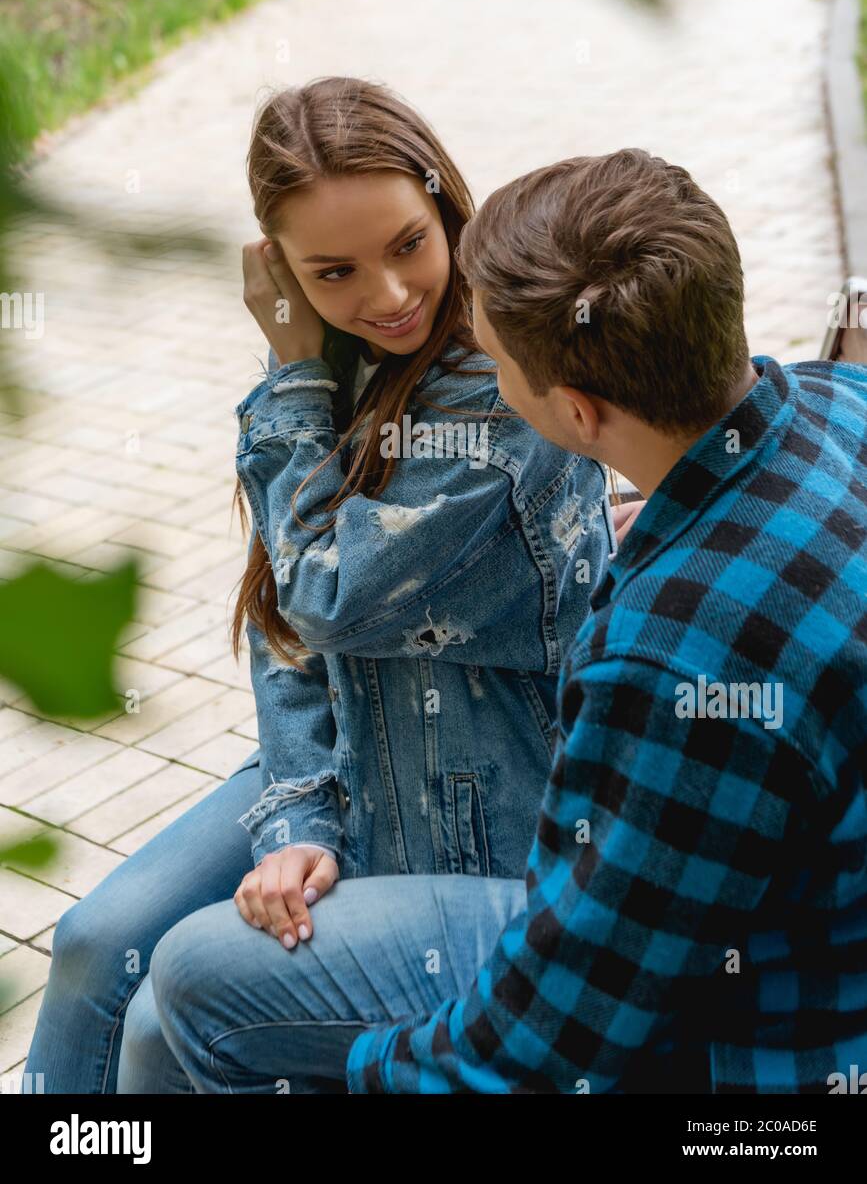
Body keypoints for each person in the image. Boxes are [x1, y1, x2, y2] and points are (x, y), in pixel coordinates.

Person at [147, 148, 867, 1094]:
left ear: (571, 409)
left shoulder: (662, 662)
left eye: (491, 358)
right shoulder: (836, 400)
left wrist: (356, 1072)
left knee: (195, 986)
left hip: (753, 1051)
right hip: (786, 908)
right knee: (146, 1020)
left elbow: (543, 1045)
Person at [24, 79, 613, 1093]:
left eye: (406, 245)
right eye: (333, 271)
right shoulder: (334, 366)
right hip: (341, 756)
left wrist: (293, 383)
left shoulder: (502, 393)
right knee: (91, 941)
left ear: (447, 213)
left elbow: (330, 594)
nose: (385, 295)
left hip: (486, 819)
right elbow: (286, 636)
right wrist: (299, 820)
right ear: (281, 272)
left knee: (168, 1008)